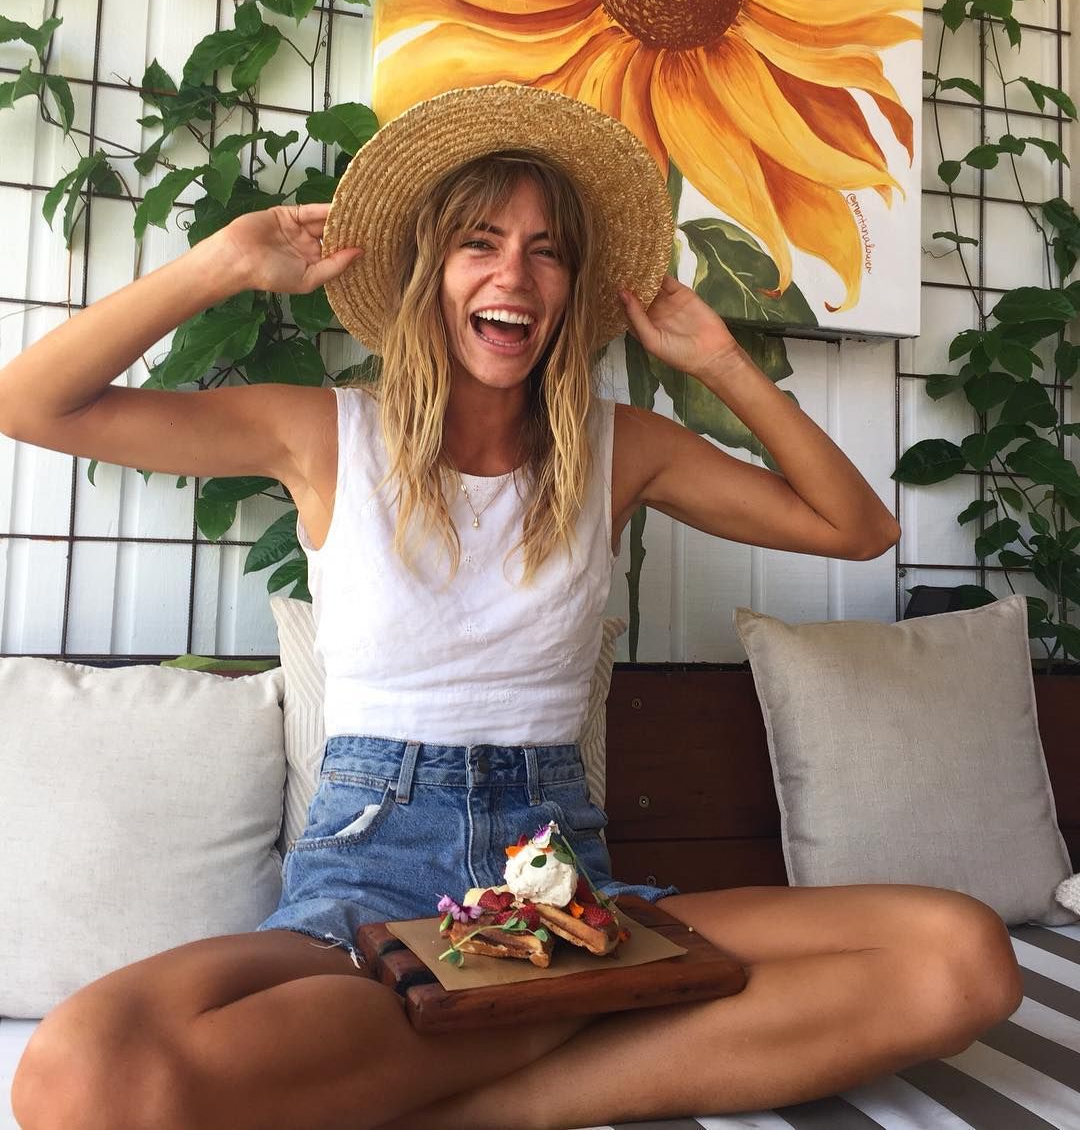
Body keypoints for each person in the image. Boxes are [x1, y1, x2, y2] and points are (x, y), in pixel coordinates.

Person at [5, 85, 1020, 1130]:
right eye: (479, 243)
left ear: (570, 290)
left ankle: (491, 1079)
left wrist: (720, 362)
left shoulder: (623, 448)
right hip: (369, 889)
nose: (515, 275)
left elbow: (857, 528)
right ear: (429, 274)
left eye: (547, 251)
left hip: (565, 898)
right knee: (76, 1077)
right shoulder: (322, 434)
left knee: (962, 955)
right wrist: (222, 262)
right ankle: (554, 1015)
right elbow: (28, 402)